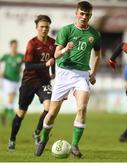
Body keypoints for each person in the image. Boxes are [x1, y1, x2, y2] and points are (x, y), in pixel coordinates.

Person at [35, 1, 101, 158]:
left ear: (90, 15)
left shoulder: (94, 34)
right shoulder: (66, 30)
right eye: (82, 13)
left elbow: (97, 54)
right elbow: (56, 54)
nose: (84, 17)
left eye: (87, 14)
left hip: (81, 75)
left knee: (82, 109)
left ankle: (75, 145)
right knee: (51, 114)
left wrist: (93, 74)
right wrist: (65, 49)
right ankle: (43, 140)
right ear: (76, 13)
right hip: (64, 73)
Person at [8, 15, 56, 150]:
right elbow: (28, 66)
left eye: (46, 27)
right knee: (21, 112)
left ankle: (36, 133)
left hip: (44, 81)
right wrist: (45, 65)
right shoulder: (32, 43)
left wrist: (53, 72)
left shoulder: (53, 43)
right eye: (41, 27)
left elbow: (54, 60)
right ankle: (12, 139)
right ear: (37, 28)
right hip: (29, 81)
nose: (44, 29)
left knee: (49, 108)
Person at [0, 40, 24, 125]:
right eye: (13, 46)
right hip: (7, 79)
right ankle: (12, 115)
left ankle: (4, 113)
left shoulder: (20, 56)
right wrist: (1, 72)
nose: (14, 47)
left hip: (16, 79)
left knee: (13, 97)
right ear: (10, 46)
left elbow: (26, 64)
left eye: (15, 46)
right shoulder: (6, 56)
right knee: (10, 96)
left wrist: (22, 70)